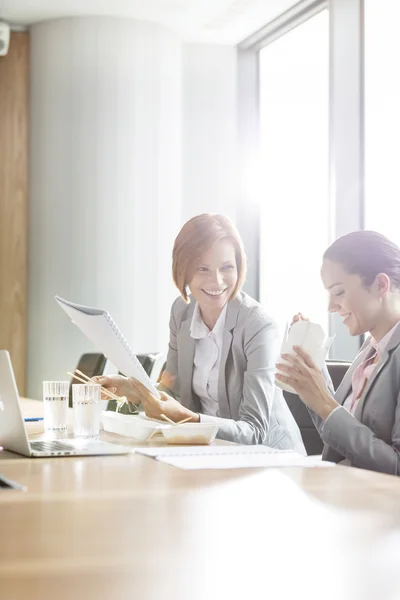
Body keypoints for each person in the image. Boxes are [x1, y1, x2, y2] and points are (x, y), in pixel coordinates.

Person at [98, 213, 305, 450]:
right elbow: (173, 393)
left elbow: (254, 431)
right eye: (202, 269)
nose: (216, 281)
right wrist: (135, 391)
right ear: (183, 271)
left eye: (227, 267)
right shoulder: (182, 311)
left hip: (270, 461)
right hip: (210, 453)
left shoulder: (258, 325)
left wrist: (188, 419)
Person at [276, 230, 400, 475]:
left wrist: (324, 402)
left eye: (339, 292)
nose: (331, 307)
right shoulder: (371, 348)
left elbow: (396, 467)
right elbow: (339, 435)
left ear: (380, 284)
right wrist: (312, 376)